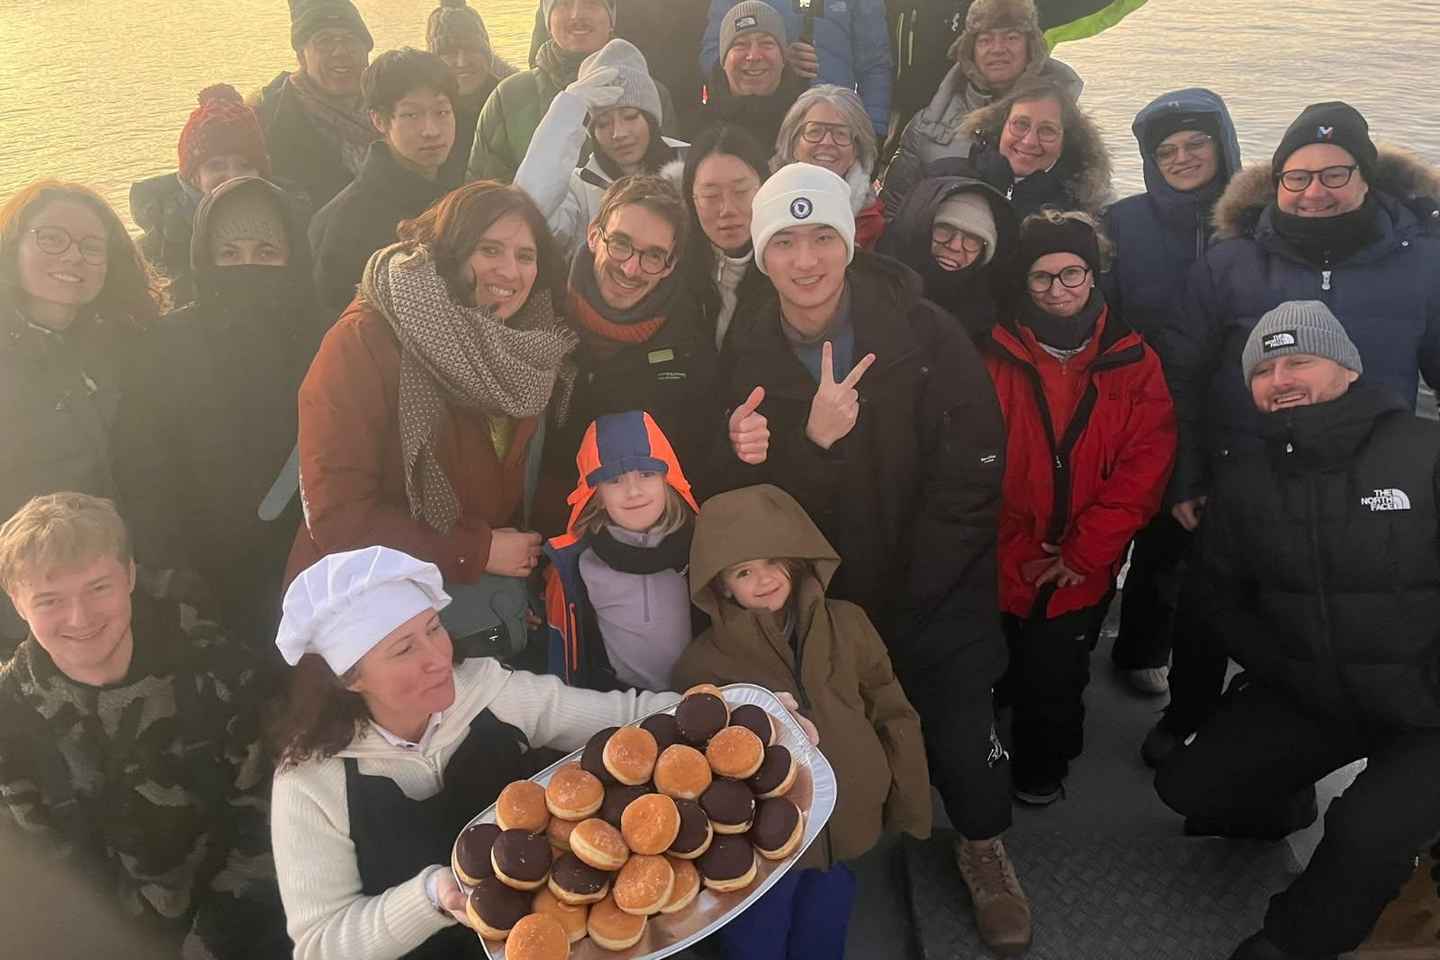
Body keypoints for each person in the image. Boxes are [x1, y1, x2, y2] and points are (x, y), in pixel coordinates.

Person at [716, 163, 1031, 953]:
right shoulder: (748, 349)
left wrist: (918, 587)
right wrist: (777, 451)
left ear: (851, 241)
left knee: (963, 732)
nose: (806, 259)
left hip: (935, 582)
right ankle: (833, 840)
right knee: (827, 733)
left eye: (822, 234)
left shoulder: (923, 331)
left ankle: (983, 845)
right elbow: (754, 506)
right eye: (783, 241)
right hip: (827, 596)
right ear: (761, 255)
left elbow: (975, 468)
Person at [1151, 101, 1440, 763]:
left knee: (1346, 609)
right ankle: (1187, 714)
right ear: (1276, 183)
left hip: (1369, 477)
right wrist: (1187, 475)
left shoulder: (1425, 263)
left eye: (1335, 175)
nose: (1315, 192)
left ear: (1367, 179)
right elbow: (1180, 375)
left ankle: (1333, 739)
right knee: (1212, 603)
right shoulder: (1231, 264)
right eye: (1297, 177)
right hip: (1244, 470)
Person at [1153, 302, 1440, 960]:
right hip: (1321, 694)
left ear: (1347, 369)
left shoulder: (1424, 453)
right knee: (1191, 789)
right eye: (1264, 369)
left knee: (1365, 832)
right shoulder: (1249, 482)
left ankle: (1293, 940)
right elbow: (1216, 598)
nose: (1280, 378)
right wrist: (1282, 667)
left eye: (1298, 362)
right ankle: (1289, 805)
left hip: (1430, 708)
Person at [269, 544, 681, 959]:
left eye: (433, 629)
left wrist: (727, 704)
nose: (438, 659)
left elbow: (628, 718)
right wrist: (431, 896)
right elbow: (321, 945)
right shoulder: (310, 781)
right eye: (404, 649)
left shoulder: (487, 692)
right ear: (351, 679)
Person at [0, 493, 287, 958]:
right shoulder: (8, 715)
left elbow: (269, 834)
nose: (80, 618)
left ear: (130, 576)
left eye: (98, 588)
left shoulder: (225, 672)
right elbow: (26, 888)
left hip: (238, 933)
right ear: (16, 602)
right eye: (50, 600)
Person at [284, 183, 577, 634]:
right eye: (490, 249)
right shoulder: (365, 341)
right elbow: (337, 516)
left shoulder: (526, 347)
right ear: (451, 251)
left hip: (487, 605)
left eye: (525, 256)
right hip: (376, 619)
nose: (510, 271)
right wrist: (475, 551)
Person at [673, 482, 931, 958]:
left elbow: (891, 709)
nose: (764, 579)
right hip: (764, 851)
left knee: (825, 931)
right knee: (758, 939)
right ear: (720, 584)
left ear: (795, 560)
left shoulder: (850, 623)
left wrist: (909, 798)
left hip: (846, 823)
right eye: (744, 571)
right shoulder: (703, 662)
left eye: (774, 561)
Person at [985, 210, 1176, 803]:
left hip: (1082, 563)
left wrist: (1085, 551)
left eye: (1072, 274)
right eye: (1042, 278)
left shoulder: (1133, 360)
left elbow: (1147, 464)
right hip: (1001, 550)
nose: (1059, 290)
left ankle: (1042, 769)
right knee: (997, 660)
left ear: (1093, 277)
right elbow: (968, 457)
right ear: (1024, 283)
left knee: (1058, 676)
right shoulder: (992, 354)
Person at [118, 177, 327, 652]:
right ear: (205, 258)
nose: (247, 267)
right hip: (206, 576)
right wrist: (172, 576)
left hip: (314, 563)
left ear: (291, 256)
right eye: (229, 254)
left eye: (266, 252)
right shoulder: (166, 345)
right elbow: (142, 467)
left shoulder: (327, 337)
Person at [1102, 88, 1241, 696]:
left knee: (1175, 539)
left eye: (1196, 144)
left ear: (1223, 145)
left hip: (1218, 409)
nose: (1182, 158)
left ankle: (1143, 644)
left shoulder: (1252, 224)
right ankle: (1077, 631)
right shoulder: (1124, 222)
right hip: (1132, 403)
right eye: (1167, 151)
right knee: (1109, 526)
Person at [0, 181, 164, 653]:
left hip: (122, 585)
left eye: (92, 247)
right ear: (14, 245)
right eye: (51, 238)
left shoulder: (124, 346)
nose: (73, 256)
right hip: (31, 606)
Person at [552, 174, 716, 476]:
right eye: (620, 243)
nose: (630, 268)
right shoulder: (544, 316)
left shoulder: (690, 347)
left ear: (671, 265)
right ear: (592, 236)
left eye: (653, 256)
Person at [541, 411, 699, 690]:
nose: (633, 491)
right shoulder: (577, 563)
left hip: (700, 693)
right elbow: (564, 654)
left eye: (647, 474)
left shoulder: (699, 547)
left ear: (668, 482)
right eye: (614, 480)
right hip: (623, 705)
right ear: (595, 494)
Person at [882, 0, 1082, 206]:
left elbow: (1090, 203)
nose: (997, 49)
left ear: (1031, 46)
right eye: (985, 40)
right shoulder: (926, 125)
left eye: (1011, 37)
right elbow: (893, 208)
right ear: (970, 50)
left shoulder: (1068, 123)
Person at [309, 49, 460, 315]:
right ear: (378, 120)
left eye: (442, 112)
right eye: (411, 115)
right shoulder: (348, 221)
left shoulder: (458, 194)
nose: (431, 130)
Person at [469, 0, 675, 185]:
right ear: (547, 21)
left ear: (612, 18)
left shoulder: (651, 93)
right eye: (563, 3)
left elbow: (668, 172)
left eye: (591, 2)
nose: (577, 14)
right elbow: (483, 194)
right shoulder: (509, 96)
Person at [514, 39, 688, 254]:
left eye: (630, 116)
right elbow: (526, 215)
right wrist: (566, 113)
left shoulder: (692, 164)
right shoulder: (577, 188)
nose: (619, 133)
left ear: (651, 121)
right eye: (603, 123)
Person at [129, 83, 284, 306]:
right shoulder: (153, 249)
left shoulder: (290, 226)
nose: (232, 176)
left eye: (245, 164)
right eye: (215, 166)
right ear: (193, 177)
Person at [885, 76, 1110, 222]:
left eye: (1047, 130)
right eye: (1020, 124)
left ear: (1066, 141)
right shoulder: (942, 179)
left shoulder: (1083, 208)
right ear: (1000, 126)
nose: (1030, 141)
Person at [702, 0, 893, 137]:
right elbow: (713, 54)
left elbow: (875, 65)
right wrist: (776, 61)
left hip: (830, 127)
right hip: (755, 124)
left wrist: (874, 131)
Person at [255, 0, 377, 211]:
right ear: (301, 56)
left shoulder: (393, 104)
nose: (340, 51)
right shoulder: (267, 119)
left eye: (350, 40)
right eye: (324, 41)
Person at [527, 0, 711, 138]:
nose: (576, 12)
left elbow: (706, 40)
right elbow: (550, 33)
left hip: (671, 101)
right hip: (573, 83)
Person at [878, 168, 1018, 339]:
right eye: (944, 229)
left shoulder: (990, 325)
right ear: (921, 229)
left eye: (972, 239)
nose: (955, 246)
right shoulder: (875, 290)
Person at [677, 123, 773, 351]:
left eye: (741, 192)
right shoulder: (668, 267)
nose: (727, 209)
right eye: (710, 195)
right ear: (692, 199)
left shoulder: (791, 269)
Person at [773, 85, 886, 250]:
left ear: (856, 148)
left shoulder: (871, 222)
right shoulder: (761, 201)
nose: (827, 142)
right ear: (793, 143)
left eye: (840, 133)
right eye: (814, 131)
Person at [699, 2, 810, 156]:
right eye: (740, 44)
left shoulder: (807, 129)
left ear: (783, 58)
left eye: (766, 43)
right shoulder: (699, 131)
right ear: (723, 60)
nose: (754, 56)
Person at [427, 0, 518, 187]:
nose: (462, 62)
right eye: (449, 52)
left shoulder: (514, 101)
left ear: (487, 54)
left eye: (471, 49)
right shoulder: (425, 116)